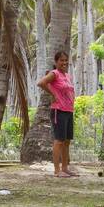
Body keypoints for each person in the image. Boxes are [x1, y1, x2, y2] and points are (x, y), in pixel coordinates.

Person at [38, 50, 76, 178]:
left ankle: (65, 168)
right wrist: (53, 94)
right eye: (61, 60)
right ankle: (56, 170)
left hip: (69, 110)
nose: (64, 62)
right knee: (59, 141)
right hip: (58, 110)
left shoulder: (67, 75)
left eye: (66, 60)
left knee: (66, 141)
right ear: (56, 62)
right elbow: (41, 83)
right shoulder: (54, 74)